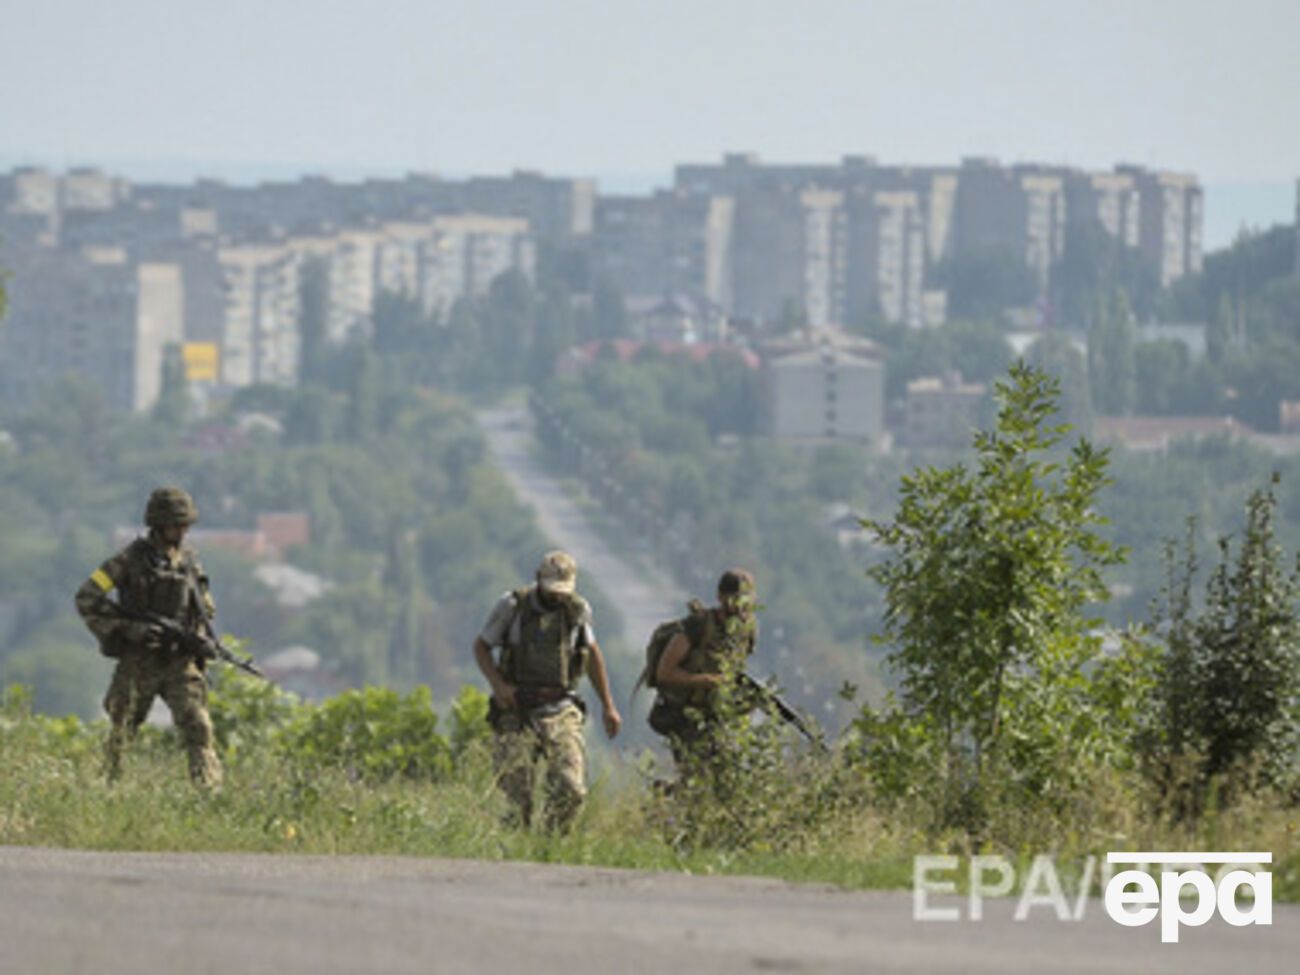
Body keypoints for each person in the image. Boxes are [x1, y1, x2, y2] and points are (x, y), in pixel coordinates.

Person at [74, 487, 222, 788]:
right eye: (175, 525)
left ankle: (208, 791)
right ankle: (109, 788)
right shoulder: (126, 561)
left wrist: (198, 639)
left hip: (179, 661)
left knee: (199, 727)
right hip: (140, 661)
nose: (182, 531)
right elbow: (87, 597)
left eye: (185, 525)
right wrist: (128, 629)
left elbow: (205, 609)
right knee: (123, 731)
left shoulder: (189, 563)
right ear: (158, 524)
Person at [473, 550, 621, 830]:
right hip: (516, 709)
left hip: (561, 709)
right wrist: (499, 685)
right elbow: (481, 647)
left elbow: (592, 655)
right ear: (538, 579)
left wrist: (608, 706)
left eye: (563, 591)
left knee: (571, 789)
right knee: (517, 798)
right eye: (552, 589)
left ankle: (551, 843)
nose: (557, 596)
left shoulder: (578, 611)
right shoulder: (512, 606)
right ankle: (517, 846)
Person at [649, 568, 758, 775]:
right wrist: (705, 680)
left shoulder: (746, 631)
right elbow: (665, 673)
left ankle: (667, 791)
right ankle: (669, 792)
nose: (740, 605)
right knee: (698, 778)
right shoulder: (698, 625)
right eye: (735, 598)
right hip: (685, 715)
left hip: (718, 717)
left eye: (746, 599)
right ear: (720, 597)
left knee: (726, 777)